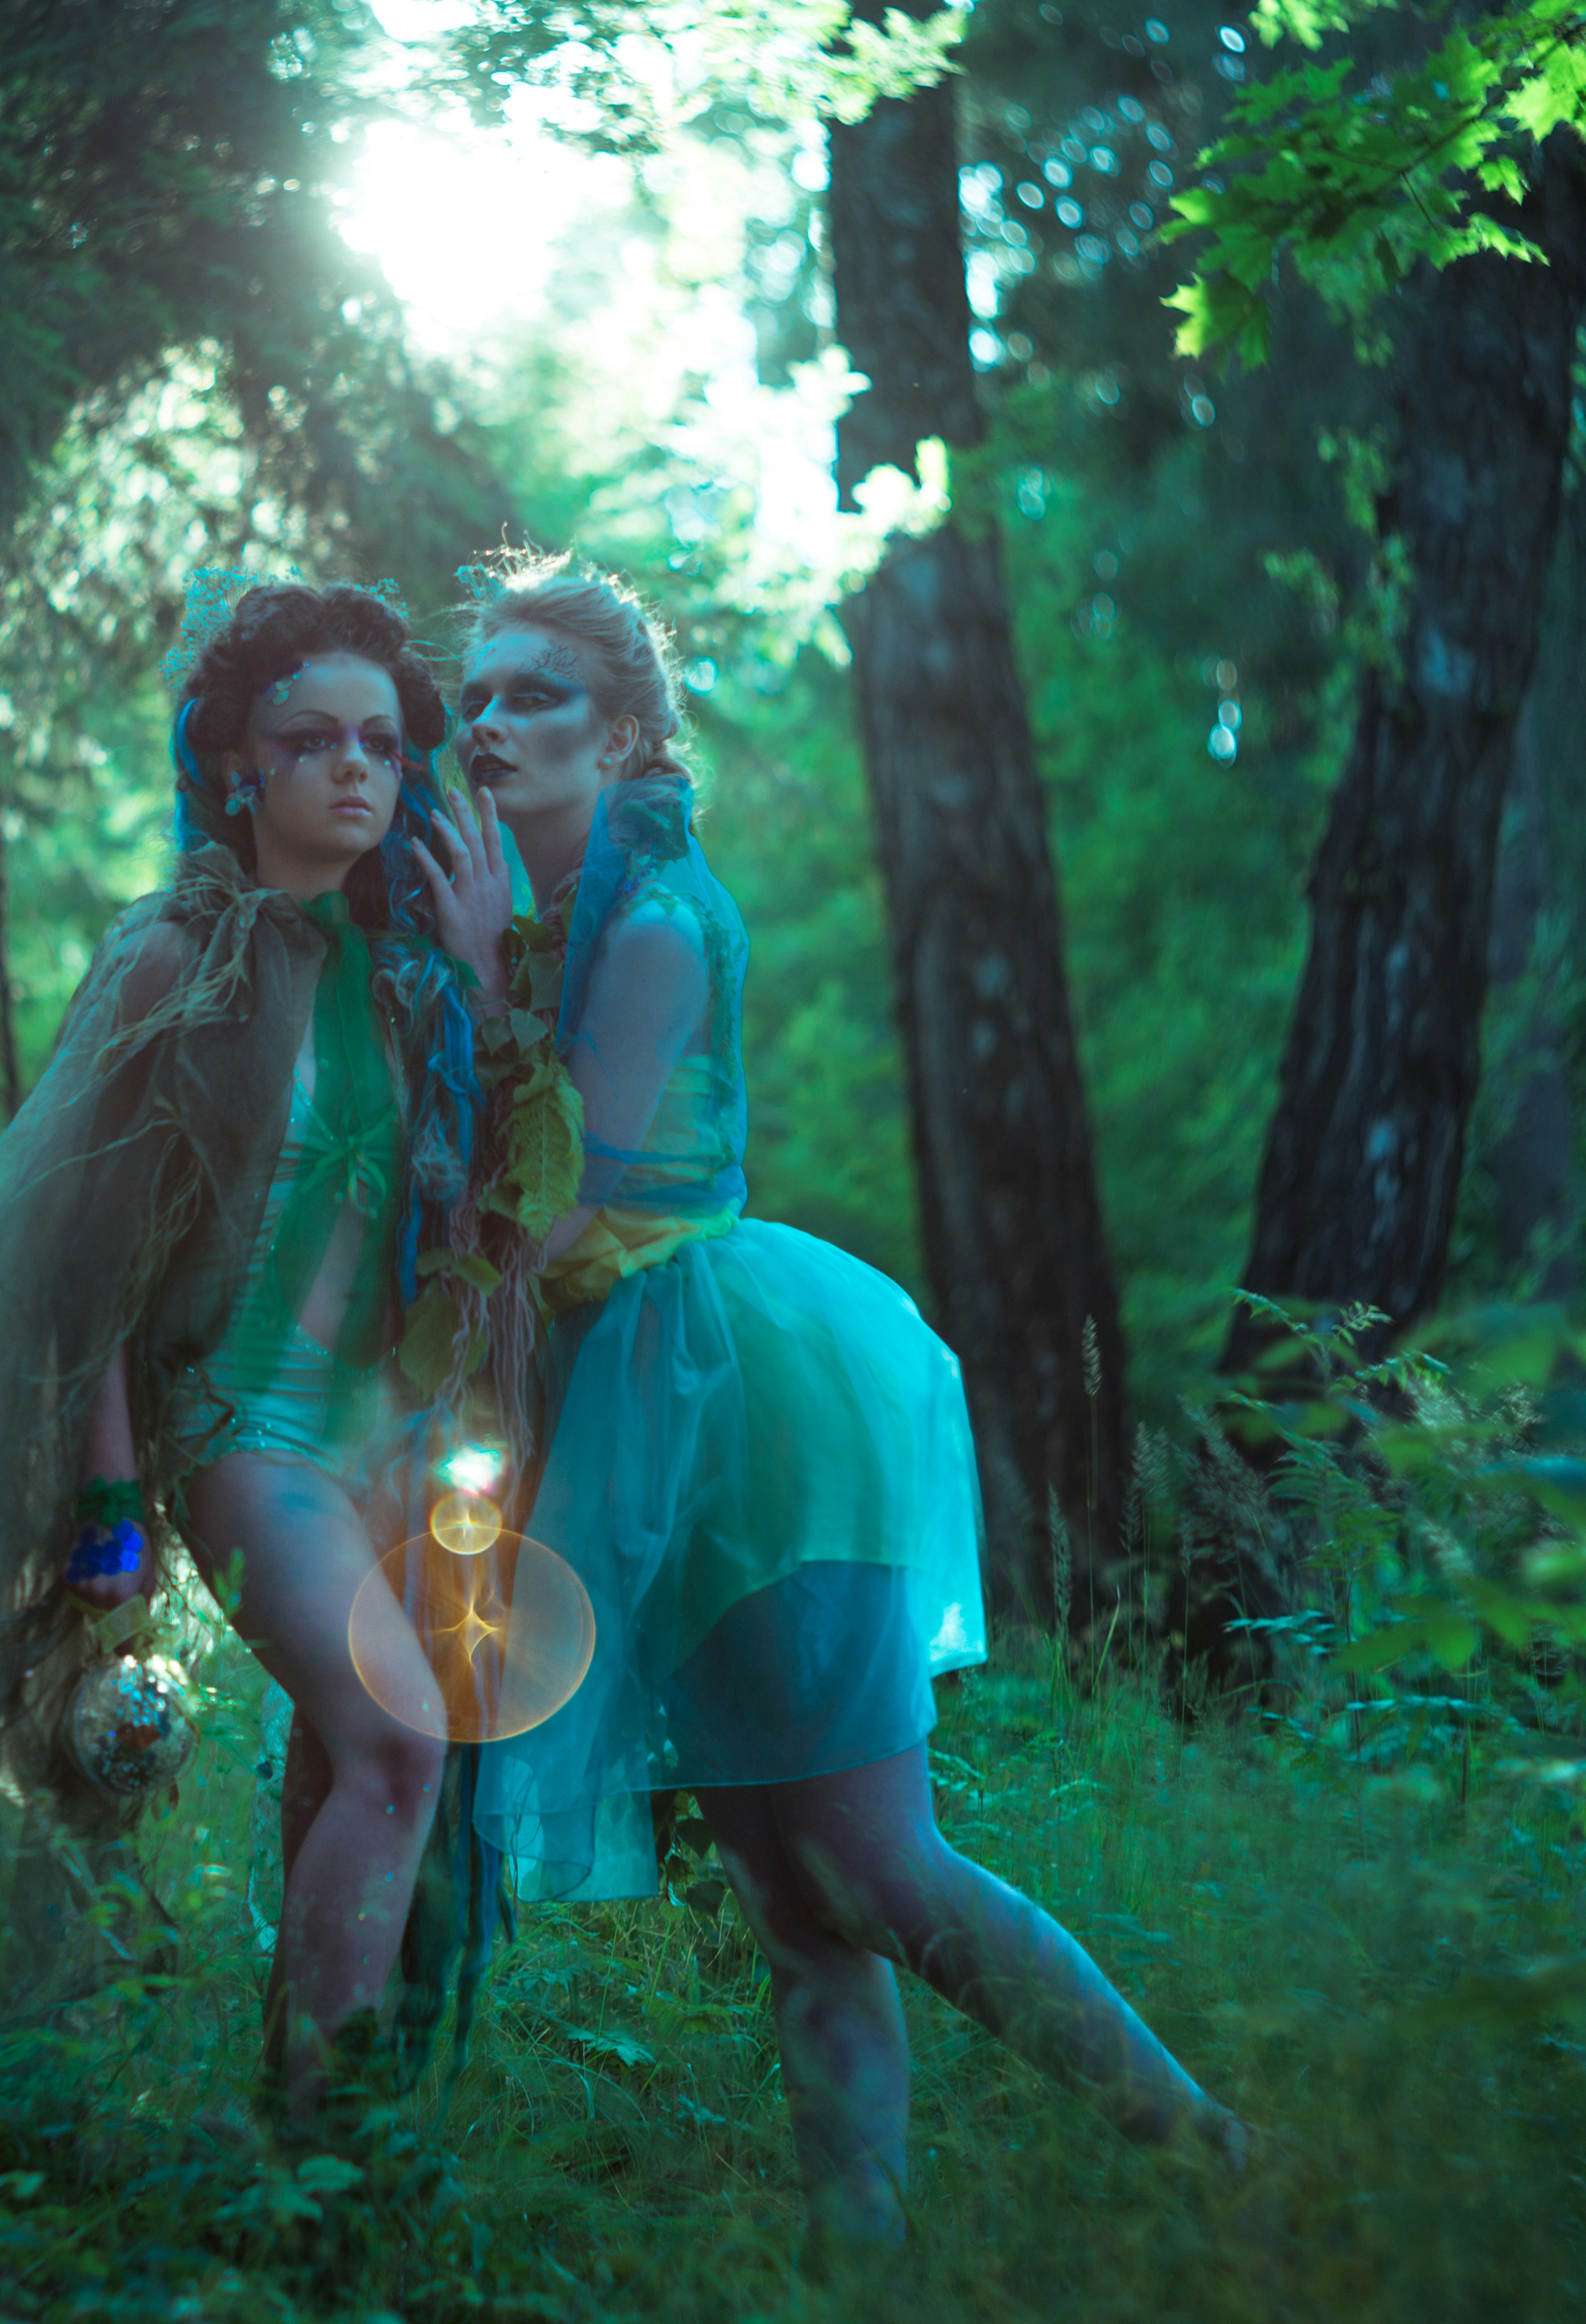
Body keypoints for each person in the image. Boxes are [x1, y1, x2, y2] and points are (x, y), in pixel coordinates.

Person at [411, 554, 1243, 2239]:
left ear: (629, 729)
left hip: (749, 1406)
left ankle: (1207, 2156)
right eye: (479, 696)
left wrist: (486, 979)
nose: (494, 723)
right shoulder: (529, 908)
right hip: (630, 1407)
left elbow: (561, 1200)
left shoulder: (646, 921)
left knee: (880, 1866)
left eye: (539, 693)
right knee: (793, 1898)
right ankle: (855, 2290)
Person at [0, 579, 489, 2113]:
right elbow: (83, 1287)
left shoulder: (409, 986)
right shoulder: (176, 968)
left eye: (386, 748)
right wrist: (106, 1512)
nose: (359, 771)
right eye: (315, 741)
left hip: (385, 1444)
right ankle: (327, 2150)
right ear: (237, 766)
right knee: (401, 1741)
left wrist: (483, 969)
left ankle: (311, 2136)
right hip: (242, 1434)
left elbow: (477, 1224)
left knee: (349, 1766)